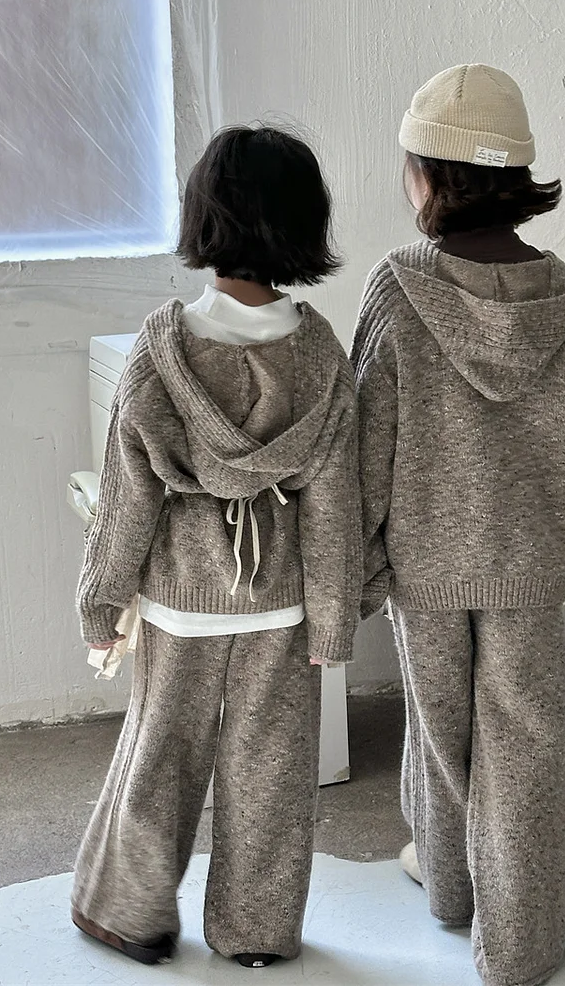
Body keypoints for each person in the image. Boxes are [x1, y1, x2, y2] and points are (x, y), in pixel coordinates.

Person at [72, 125, 361, 969]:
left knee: (157, 760)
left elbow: (127, 501)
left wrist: (101, 603)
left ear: (203, 215)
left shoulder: (160, 350)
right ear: (304, 224)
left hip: (178, 604)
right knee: (274, 775)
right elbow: (336, 505)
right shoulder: (320, 354)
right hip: (281, 607)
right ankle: (257, 933)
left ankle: (130, 915)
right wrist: (333, 622)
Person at [351, 65, 565, 986]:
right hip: (529, 561)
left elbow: (368, 438)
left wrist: (364, 564)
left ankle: (457, 893)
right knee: (525, 743)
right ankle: (522, 936)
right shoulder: (560, 292)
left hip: (427, 562)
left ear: (429, 174)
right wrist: (558, 548)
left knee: (439, 730)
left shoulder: (398, 287)